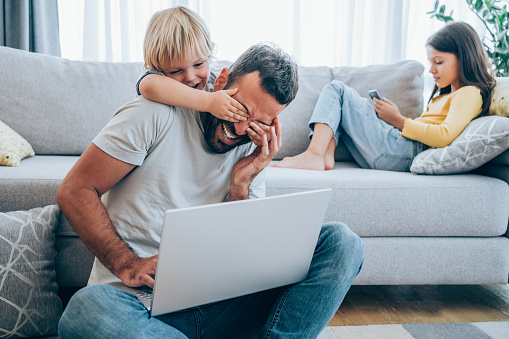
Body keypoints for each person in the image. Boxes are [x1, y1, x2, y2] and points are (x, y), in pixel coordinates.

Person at [56, 40, 364, 338]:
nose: (242, 129)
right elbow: (74, 190)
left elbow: (239, 257)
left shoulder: (251, 151)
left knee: (343, 243)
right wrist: (126, 264)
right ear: (222, 81)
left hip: (220, 308)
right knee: (85, 310)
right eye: (240, 110)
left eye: (260, 123)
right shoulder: (152, 114)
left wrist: (241, 184)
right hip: (139, 306)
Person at [273, 21, 495, 171]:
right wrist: (395, 119)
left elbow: (444, 135)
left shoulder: (469, 93)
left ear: (464, 57)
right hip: (398, 149)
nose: (431, 70)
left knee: (337, 90)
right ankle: (325, 155)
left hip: (404, 151)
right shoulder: (447, 94)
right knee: (341, 105)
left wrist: (398, 120)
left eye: (439, 62)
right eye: (430, 62)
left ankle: (314, 153)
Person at [138, 6, 249, 124]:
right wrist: (209, 102)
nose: (190, 77)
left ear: (209, 55)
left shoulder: (214, 82)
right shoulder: (156, 78)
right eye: (176, 71)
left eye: (198, 64)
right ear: (158, 68)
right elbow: (148, 85)